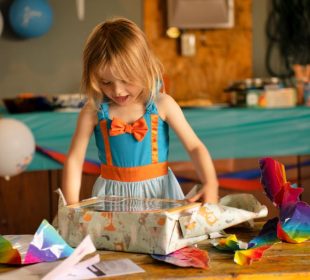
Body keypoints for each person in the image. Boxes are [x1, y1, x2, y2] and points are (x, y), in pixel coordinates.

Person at [62, 17, 218, 205]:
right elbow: (74, 160)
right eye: (106, 82)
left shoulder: (163, 105)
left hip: (159, 196)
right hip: (112, 199)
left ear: (144, 68)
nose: (118, 91)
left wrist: (210, 182)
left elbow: (195, 147)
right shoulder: (92, 111)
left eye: (127, 80)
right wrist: (70, 206)